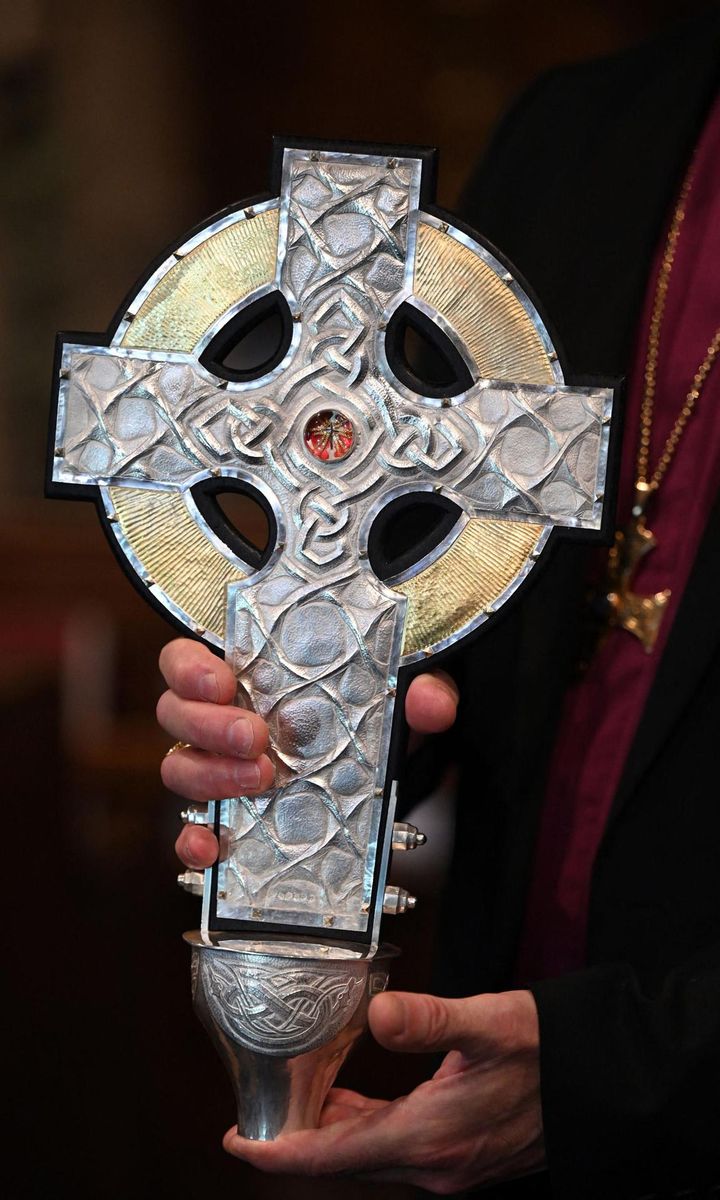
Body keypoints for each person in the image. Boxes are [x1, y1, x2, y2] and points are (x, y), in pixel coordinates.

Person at [157, 11, 720, 1196]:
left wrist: (624, 1077)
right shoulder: (580, 134)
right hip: (481, 1092)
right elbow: (439, 601)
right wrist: (302, 723)